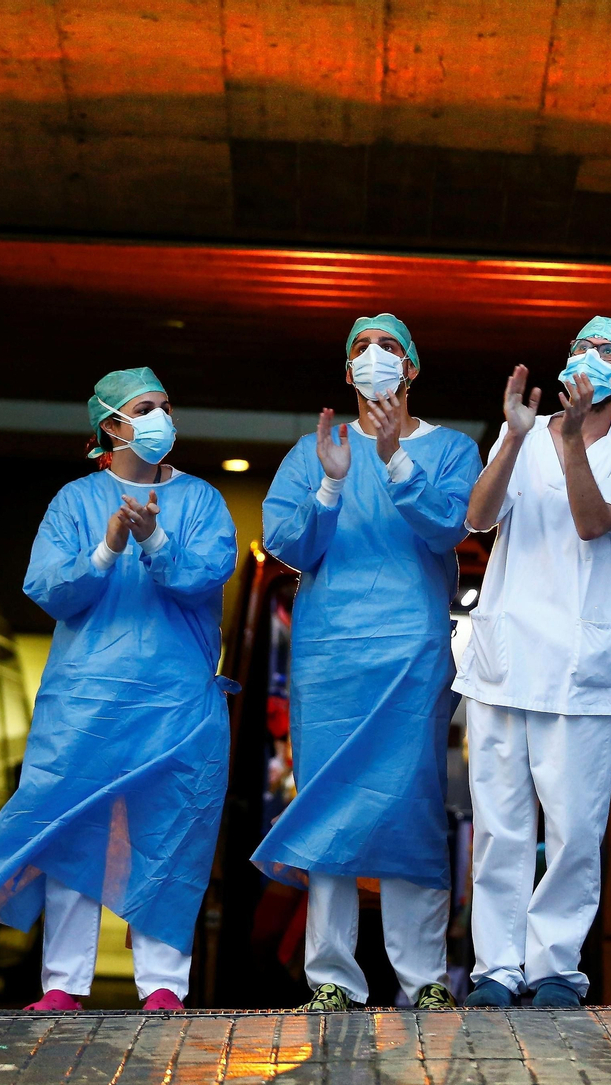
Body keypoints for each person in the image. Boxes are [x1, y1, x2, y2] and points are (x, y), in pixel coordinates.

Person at [0, 368, 237, 1012]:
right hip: (85, 707)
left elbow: (207, 573)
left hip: (176, 708)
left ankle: (163, 985)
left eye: (167, 404)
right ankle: (62, 985)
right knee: (70, 831)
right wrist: (108, 548)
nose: (163, 416)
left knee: (170, 835)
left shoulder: (202, 502)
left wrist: (154, 539)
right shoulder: (74, 504)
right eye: (147, 408)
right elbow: (50, 589)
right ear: (112, 425)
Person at [251, 313, 482, 1012]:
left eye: (388, 348)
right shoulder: (314, 449)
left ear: (411, 368)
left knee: (410, 809)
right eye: (360, 347)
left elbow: (453, 523)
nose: (374, 357)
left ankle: (423, 978)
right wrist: (328, 485)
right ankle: (331, 977)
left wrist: (394, 458)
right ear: (346, 371)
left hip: (410, 657)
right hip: (329, 660)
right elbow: (286, 540)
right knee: (329, 809)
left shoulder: (451, 450)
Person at [453, 317, 611, 1009]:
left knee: (573, 829)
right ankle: (495, 967)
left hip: (580, 668)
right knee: (501, 823)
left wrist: (570, 441)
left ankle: (553, 967)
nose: (588, 359)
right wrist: (515, 436)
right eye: (581, 347)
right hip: (505, 659)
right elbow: (480, 517)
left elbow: (592, 521)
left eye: (606, 353)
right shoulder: (523, 433)